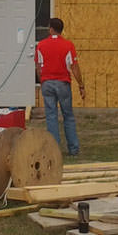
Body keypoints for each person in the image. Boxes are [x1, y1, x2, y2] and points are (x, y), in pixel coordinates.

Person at [35, 17, 85, 156]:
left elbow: (38, 67)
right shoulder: (68, 45)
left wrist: (42, 81)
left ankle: (53, 149)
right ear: (61, 30)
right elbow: (74, 67)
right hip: (63, 83)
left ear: (51, 29)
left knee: (51, 116)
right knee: (68, 116)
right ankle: (73, 148)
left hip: (47, 83)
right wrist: (81, 85)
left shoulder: (41, 45)